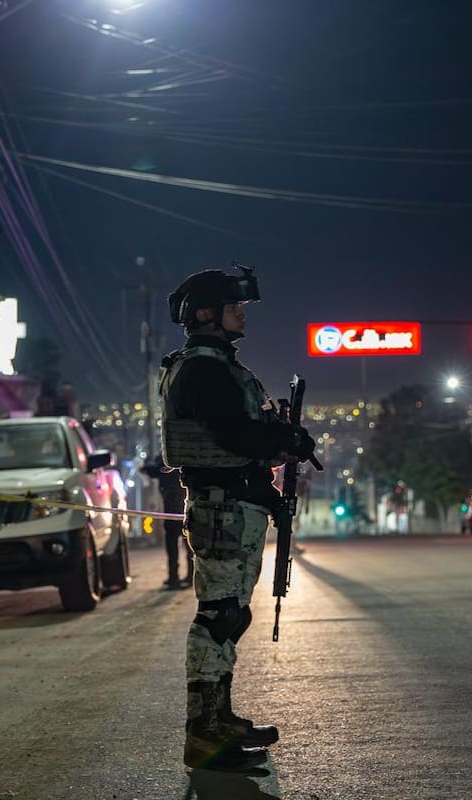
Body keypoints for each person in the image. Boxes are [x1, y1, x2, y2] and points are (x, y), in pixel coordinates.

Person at [157, 263, 316, 773]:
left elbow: (241, 435)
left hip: (232, 505)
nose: (242, 315)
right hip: (222, 507)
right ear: (206, 314)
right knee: (219, 617)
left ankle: (219, 721)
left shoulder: (213, 365)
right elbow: (237, 435)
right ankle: (205, 736)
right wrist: (285, 440)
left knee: (230, 615)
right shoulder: (204, 369)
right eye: (233, 307)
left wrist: (279, 444)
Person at [141, 453, 193, 589]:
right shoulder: (184, 453)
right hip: (183, 502)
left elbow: (156, 470)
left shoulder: (169, 453)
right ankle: (185, 576)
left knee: (175, 543)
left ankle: (176, 577)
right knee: (187, 543)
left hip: (174, 503)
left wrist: (145, 466)